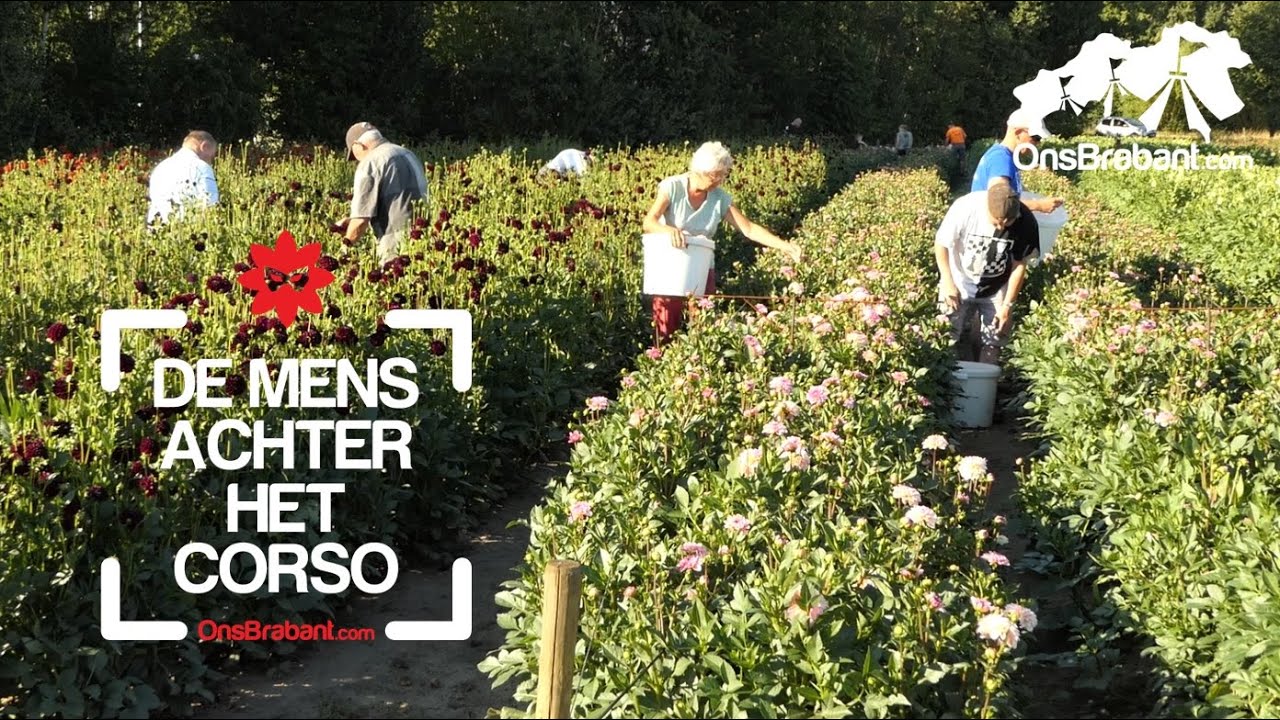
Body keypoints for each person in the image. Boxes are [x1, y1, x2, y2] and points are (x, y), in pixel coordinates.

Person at [642, 141, 803, 343]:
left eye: (723, 175)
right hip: (672, 264)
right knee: (665, 325)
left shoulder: (719, 198)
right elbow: (649, 222)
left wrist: (786, 246)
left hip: (700, 265)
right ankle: (661, 365)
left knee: (701, 326)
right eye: (715, 175)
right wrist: (668, 230)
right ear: (700, 170)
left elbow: (748, 228)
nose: (719, 180)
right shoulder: (673, 187)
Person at [934, 177, 1039, 364]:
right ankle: (952, 379)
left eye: (1008, 223)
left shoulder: (1026, 221)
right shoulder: (965, 208)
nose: (1001, 227)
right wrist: (948, 281)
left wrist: (1008, 305)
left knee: (995, 339)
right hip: (959, 279)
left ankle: (984, 383)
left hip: (997, 286)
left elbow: (1018, 265)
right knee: (947, 336)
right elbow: (941, 244)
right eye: (997, 221)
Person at [338, 122, 429, 266]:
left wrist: (343, 249)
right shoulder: (407, 153)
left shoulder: (370, 163)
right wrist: (352, 220)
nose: (357, 161)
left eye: (354, 155)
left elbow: (361, 221)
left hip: (395, 245)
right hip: (424, 239)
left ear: (359, 145)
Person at [970, 110, 1064, 213]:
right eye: (1035, 138)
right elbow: (1000, 202)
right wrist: (1038, 205)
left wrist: (1038, 200)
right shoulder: (1001, 159)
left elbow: (1010, 189)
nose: (1037, 143)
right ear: (1018, 133)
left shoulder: (1004, 155)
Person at [146, 130, 219, 227]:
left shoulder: (160, 167)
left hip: (157, 230)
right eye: (212, 156)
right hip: (185, 230)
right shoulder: (202, 167)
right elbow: (210, 205)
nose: (211, 161)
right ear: (204, 146)